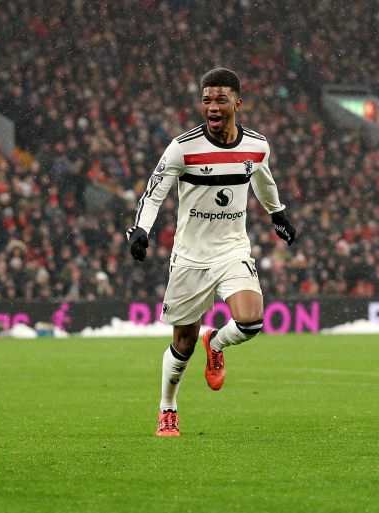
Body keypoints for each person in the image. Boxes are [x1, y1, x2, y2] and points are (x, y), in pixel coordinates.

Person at [126, 69, 297, 437]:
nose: (212, 106)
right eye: (206, 100)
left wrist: (277, 212)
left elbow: (263, 179)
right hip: (189, 257)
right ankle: (167, 408)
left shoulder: (256, 145)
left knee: (251, 321)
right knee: (182, 344)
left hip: (232, 250)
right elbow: (154, 193)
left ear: (238, 103)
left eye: (220, 99)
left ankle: (215, 343)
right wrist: (141, 229)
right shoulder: (182, 148)